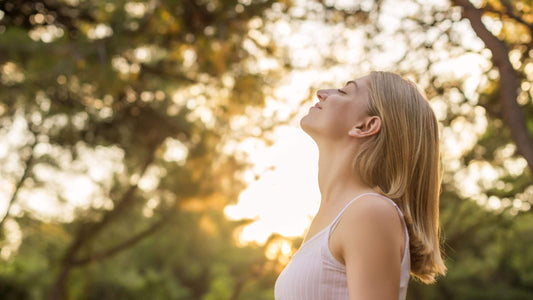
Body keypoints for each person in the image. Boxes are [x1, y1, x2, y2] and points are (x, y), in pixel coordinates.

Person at [274, 71, 446, 300]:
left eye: (345, 91)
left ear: (366, 126)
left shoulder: (369, 212)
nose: (322, 93)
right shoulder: (338, 215)